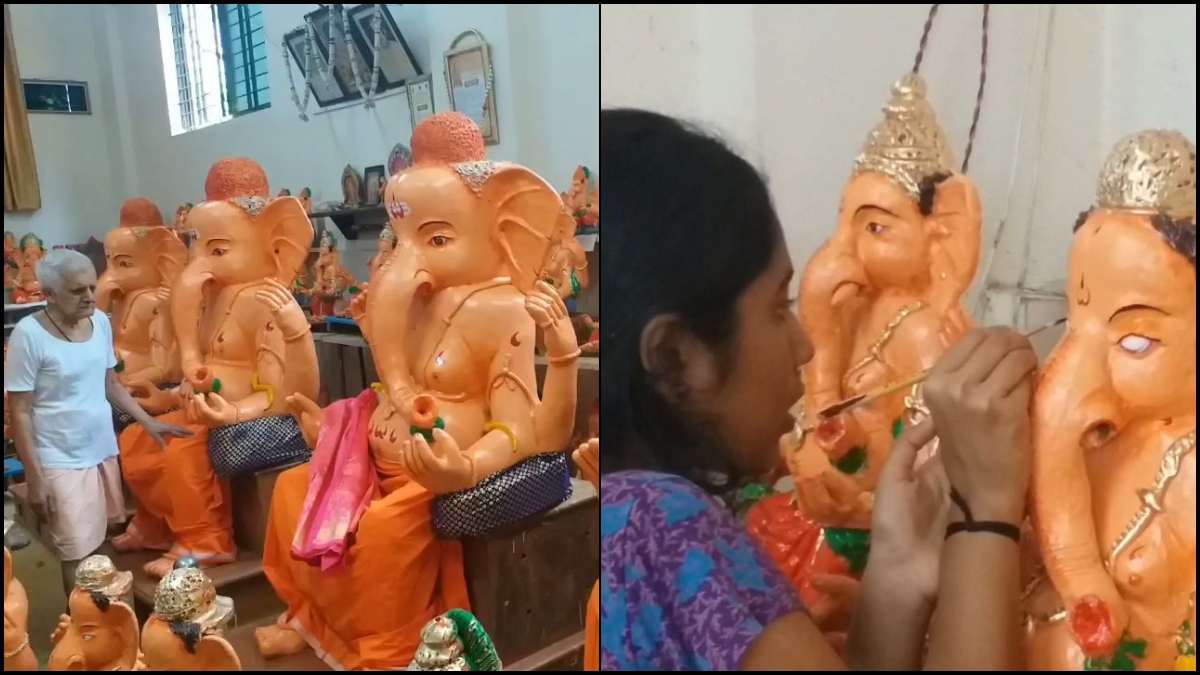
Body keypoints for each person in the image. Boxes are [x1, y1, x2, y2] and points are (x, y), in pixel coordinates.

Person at [599, 109, 1036, 671]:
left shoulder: (622, 512)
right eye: (778, 306)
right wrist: (986, 514)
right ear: (677, 357)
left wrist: (897, 576)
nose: (803, 346)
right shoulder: (656, 524)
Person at [4, 249, 191, 589]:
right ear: (49, 294)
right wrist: (35, 477)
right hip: (58, 457)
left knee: (101, 538)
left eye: (91, 287)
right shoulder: (28, 336)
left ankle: (108, 622)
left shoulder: (100, 322)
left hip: (101, 449)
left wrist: (147, 421)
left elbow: (111, 384)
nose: (90, 297)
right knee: (76, 551)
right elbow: (18, 411)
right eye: (78, 291)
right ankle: (82, 624)